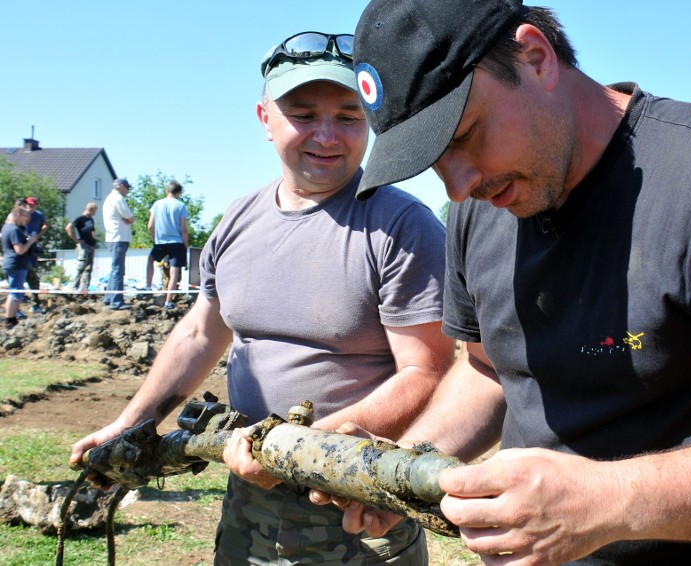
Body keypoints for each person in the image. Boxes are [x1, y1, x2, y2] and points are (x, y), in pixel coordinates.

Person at [336, 1, 691, 564]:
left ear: (535, 58)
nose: (458, 186)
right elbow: (489, 369)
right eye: (433, 160)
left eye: (463, 136)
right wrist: (406, 468)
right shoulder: (481, 207)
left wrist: (609, 502)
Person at [70, 30, 453, 565]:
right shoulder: (238, 219)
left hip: (355, 509)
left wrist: (294, 452)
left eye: (348, 116)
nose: (327, 135)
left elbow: (429, 370)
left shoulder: (400, 224)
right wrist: (129, 423)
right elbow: (200, 333)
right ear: (264, 118)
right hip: (247, 504)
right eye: (302, 114)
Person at [145, 181, 189, 309]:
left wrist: (155, 240)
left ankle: (148, 287)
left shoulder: (157, 204)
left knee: (150, 260)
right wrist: (185, 246)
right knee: (174, 272)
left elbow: (149, 226)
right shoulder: (181, 206)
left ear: (167, 191)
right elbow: (184, 229)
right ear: (179, 193)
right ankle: (168, 302)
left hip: (160, 242)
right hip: (177, 242)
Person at [2, 206, 40, 329]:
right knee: (15, 293)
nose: (28, 219)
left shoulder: (7, 227)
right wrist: (31, 241)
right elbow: (20, 250)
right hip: (16, 264)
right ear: (18, 214)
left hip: (11, 263)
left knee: (13, 291)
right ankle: (10, 320)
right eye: (26, 216)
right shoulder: (14, 230)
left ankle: (11, 318)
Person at [102, 178, 135, 310]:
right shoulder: (118, 199)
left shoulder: (110, 198)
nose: (127, 191)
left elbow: (127, 218)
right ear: (121, 186)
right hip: (118, 238)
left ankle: (109, 298)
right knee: (118, 270)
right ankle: (116, 301)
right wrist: (127, 220)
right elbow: (130, 218)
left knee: (114, 269)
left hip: (112, 237)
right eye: (126, 188)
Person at [65, 202, 98, 294]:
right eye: (94, 211)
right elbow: (68, 228)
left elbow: (92, 231)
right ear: (90, 209)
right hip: (83, 245)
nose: (94, 213)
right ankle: (74, 287)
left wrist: (94, 240)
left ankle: (85, 288)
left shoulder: (91, 220)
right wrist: (76, 240)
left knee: (89, 268)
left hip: (91, 245)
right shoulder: (80, 219)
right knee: (81, 266)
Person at [23, 196, 48, 314]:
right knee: (22, 272)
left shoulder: (38, 214)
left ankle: (34, 300)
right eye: (29, 205)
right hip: (23, 244)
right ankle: (22, 296)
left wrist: (39, 235)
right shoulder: (23, 214)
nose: (30, 207)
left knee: (33, 271)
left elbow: (46, 224)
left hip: (33, 244)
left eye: (33, 205)